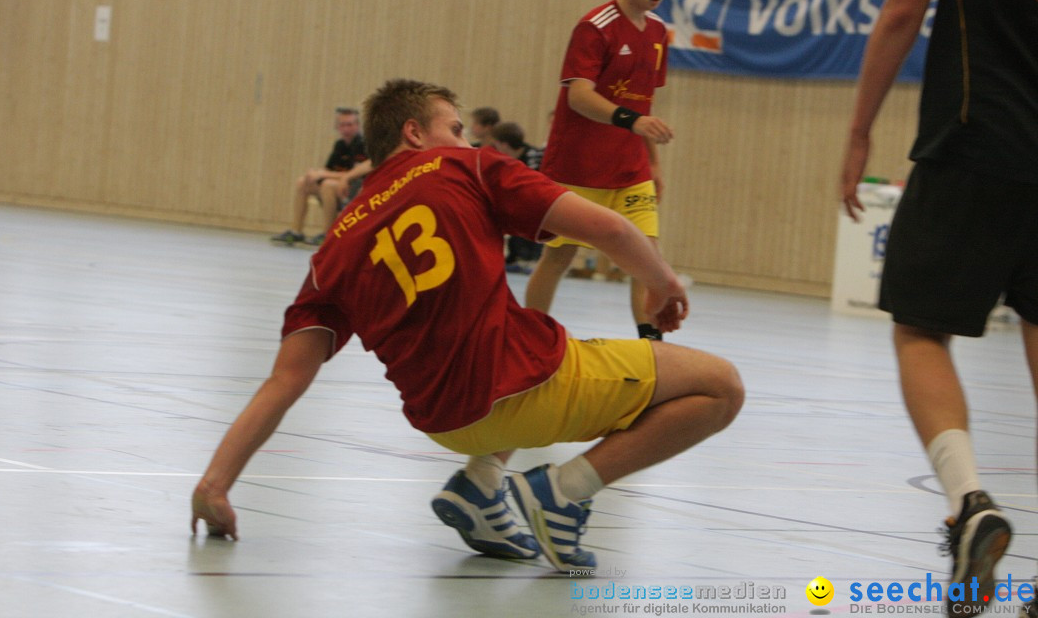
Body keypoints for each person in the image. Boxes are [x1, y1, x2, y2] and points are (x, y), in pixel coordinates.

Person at [192, 79, 743, 572]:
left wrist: (214, 484)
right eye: (454, 129)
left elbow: (285, 381)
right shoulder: (468, 167)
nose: (465, 141)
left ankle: (479, 486)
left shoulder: (333, 249)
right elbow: (614, 232)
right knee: (721, 387)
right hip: (527, 387)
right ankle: (566, 491)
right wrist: (664, 284)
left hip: (446, 425)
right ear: (413, 133)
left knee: (521, 326)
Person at [839, 0, 1037, 615]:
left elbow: (902, 9)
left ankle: (969, 502)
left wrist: (860, 131)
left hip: (975, 143)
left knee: (920, 329)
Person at [525, 0, 675, 342]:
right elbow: (578, 97)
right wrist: (632, 121)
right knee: (559, 256)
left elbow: (643, 102)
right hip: (579, 166)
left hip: (631, 170)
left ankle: (651, 347)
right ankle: (527, 339)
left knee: (647, 258)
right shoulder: (595, 27)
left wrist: (654, 165)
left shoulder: (660, 32)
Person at [271, 107, 372, 247]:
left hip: (357, 189)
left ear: (357, 125)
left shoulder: (362, 144)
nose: (346, 129)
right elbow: (329, 170)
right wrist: (315, 174)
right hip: (339, 186)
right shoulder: (340, 144)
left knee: (327, 185)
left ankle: (328, 234)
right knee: (303, 183)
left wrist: (323, 174)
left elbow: (355, 174)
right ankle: (296, 231)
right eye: (342, 125)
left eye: (350, 124)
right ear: (337, 127)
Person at [491, 121, 545, 273]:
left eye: (496, 145)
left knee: (525, 212)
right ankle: (515, 256)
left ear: (504, 145)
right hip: (521, 202)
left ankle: (530, 258)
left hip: (538, 204)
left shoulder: (534, 157)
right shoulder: (501, 161)